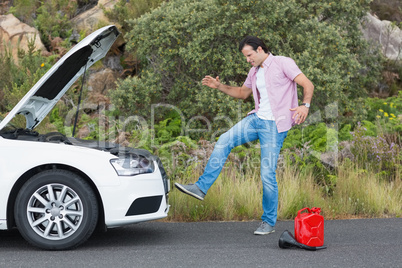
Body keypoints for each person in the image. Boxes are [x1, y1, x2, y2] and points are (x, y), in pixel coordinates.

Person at [175, 36, 314, 235]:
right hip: (256, 119)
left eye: (249, 55)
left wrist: (305, 105)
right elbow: (242, 93)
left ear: (259, 49)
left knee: (267, 174)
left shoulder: (284, 63)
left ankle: (268, 222)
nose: (248, 59)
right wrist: (219, 87)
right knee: (223, 140)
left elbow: (308, 84)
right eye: (245, 57)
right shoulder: (254, 71)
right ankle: (200, 187)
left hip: (274, 125)